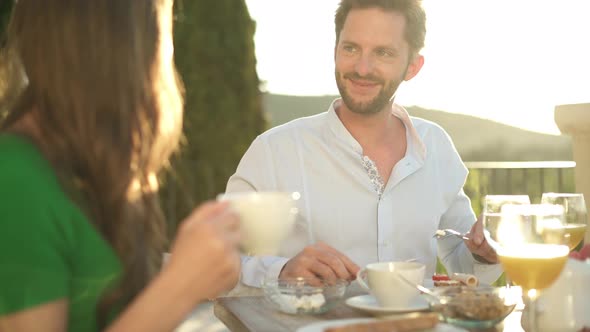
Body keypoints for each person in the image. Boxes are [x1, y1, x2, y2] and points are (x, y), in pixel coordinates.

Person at [0, 1, 241, 331]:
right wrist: (179, 287)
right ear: (120, 49)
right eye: (158, 34)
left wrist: (194, 272)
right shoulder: (14, 179)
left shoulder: (88, 166)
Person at [226, 0, 501, 289]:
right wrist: (280, 271)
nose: (362, 67)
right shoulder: (274, 151)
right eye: (351, 48)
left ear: (412, 67)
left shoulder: (436, 145)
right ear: (335, 51)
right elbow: (217, 259)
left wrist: (484, 251)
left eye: (383, 52)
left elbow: (464, 261)